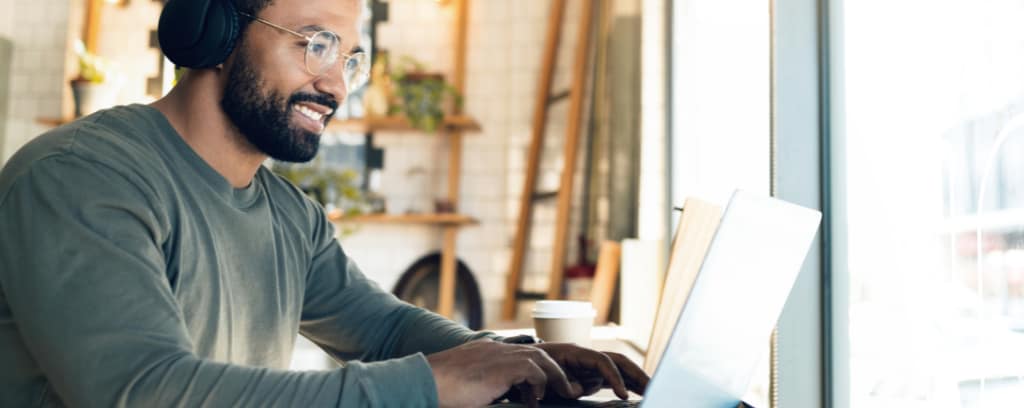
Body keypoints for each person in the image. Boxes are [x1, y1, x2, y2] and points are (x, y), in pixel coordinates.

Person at [0, 0, 649, 406]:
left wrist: (510, 356)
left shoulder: (288, 215)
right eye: (315, 43)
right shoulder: (81, 178)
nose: (336, 83)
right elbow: (142, 391)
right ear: (217, 34)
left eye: (350, 58)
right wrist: (431, 384)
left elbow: (386, 328)